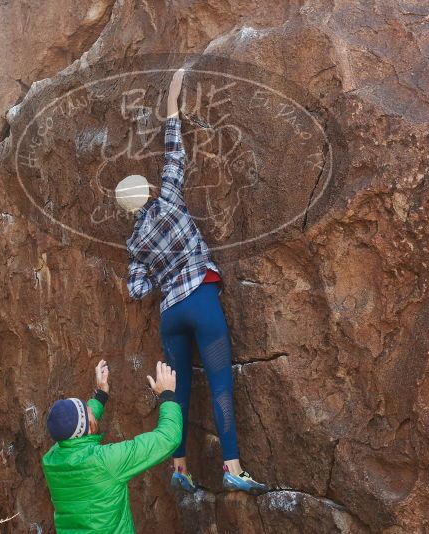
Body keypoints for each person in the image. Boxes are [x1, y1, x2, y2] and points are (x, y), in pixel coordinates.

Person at [115, 68, 267, 495]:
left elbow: (137, 290)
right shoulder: (166, 200)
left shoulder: (135, 241)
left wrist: (154, 267)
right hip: (200, 299)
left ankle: (180, 469)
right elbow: (174, 148)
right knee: (219, 384)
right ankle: (232, 467)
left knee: (178, 394)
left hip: (170, 316)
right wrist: (174, 95)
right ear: (147, 191)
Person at [42, 360, 181, 533]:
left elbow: (78, 427)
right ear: (89, 426)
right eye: (89, 411)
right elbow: (168, 438)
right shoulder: (105, 462)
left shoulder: (51, 460)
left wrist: (100, 394)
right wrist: (167, 395)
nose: (91, 408)